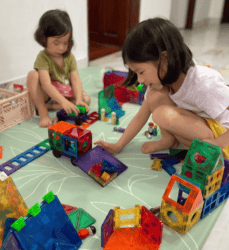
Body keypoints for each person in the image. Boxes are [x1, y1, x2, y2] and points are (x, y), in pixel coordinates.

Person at [95, 18, 229, 158]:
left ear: (164, 59)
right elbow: (141, 116)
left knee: (162, 114)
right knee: (154, 96)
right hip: (199, 128)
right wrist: (118, 145)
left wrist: (216, 144)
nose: (140, 80)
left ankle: (199, 149)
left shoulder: (203, 83)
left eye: (141, 72)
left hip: (221, 139)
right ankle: (168, 140)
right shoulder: (163, 78)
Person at [27, 9, 91, 127]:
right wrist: (64, 102)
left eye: (65, 43)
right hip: (48, 94)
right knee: (33, 75)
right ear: (43, 39)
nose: (61, 48)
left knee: (85, 100)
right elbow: (46, 85)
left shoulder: (69, 57)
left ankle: (55, 106)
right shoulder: (43, 57)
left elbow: (75, 79)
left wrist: (78, 100)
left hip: (64, 92)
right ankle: (43, 110)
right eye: (56, 43)